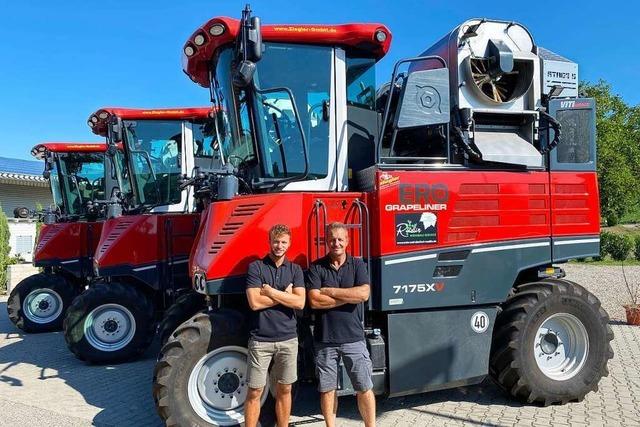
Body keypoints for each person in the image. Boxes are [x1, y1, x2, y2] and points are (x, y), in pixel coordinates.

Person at [307, 222, 375, 427]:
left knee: (364, 387)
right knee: (328, 389)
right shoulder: (316, 267)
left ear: (347, 241)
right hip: (325, 340)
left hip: (353, 338)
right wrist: (349, 295)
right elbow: (314, 301)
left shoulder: (357, 264)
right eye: (332, 239)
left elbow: (363, 294)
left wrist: (330, 291)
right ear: (326, 241)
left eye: (340, 239)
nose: (336, 243)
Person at [244, 224, 306, 427]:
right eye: (276, 241)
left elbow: (300, 303)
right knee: (255, 390)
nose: (279, 246)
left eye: (283, 242)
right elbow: (254, 303)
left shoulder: (295, 270)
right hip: (260, 341)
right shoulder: (256, 267)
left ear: (289, 244)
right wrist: (285, 295)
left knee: (285, 389)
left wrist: (270, 292)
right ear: (269, 242)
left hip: (288, 339)